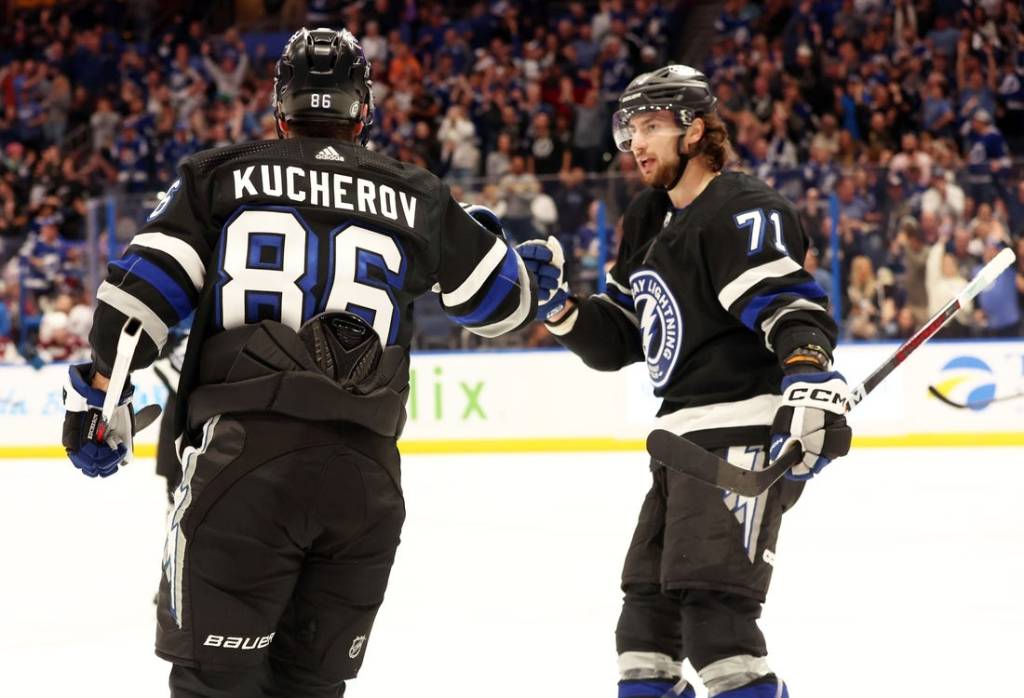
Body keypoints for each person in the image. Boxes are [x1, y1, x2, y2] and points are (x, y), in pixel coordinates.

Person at [61, 27, 536, 697]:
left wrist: (99, 403)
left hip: (244, 464)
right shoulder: (419, 197)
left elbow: (133, 307)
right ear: (362, 113)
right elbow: (506, 305)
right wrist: (491, 239)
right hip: (366, 483)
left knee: (214, 683)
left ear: (279, 110)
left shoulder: (220, 175)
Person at [518, 65, 851, 698]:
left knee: (719, 632)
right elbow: (619, 339)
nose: (637, 144)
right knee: (643, 634)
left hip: (740, 437)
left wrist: (808, 377)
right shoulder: (647, 217)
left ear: (695, 131)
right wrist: (558, 308)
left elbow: (790, 306)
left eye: (651, 127)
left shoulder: (742, 208)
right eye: (630, 129)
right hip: (677, 447)